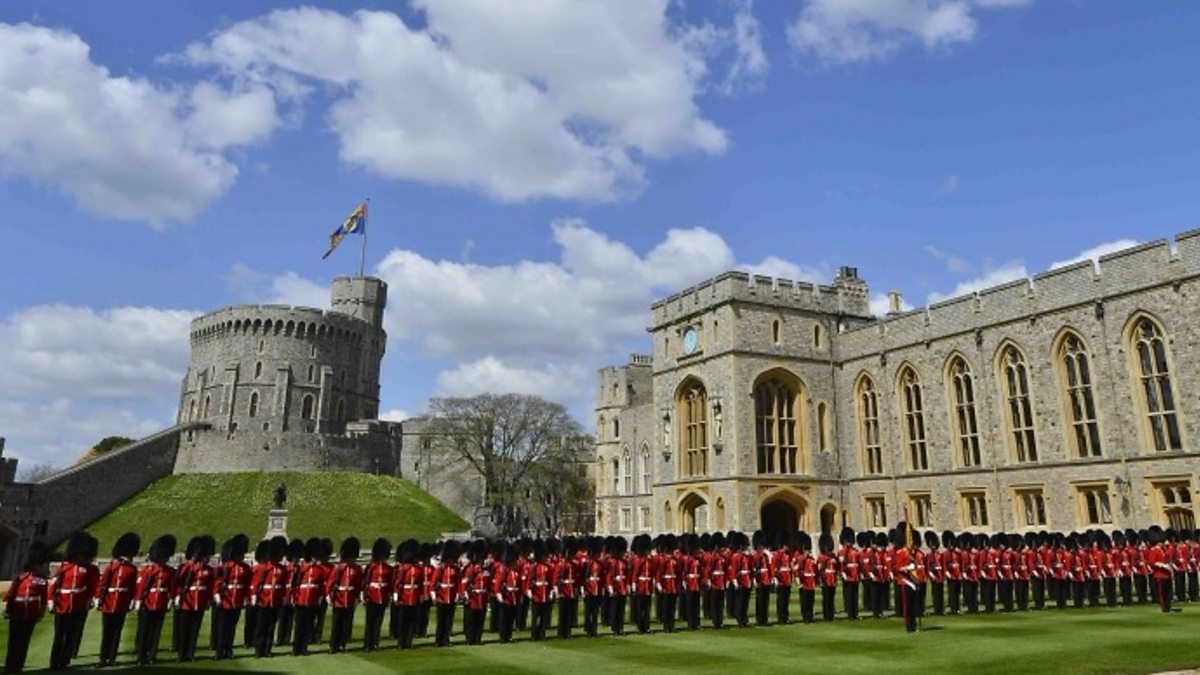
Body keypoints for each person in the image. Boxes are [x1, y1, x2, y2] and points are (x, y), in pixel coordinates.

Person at [48, 531, 99, 671]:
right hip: (62, 605)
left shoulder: (88, 570)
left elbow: (91, 586)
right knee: (59, 636)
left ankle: (65, 661)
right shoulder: (64, 568)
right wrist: (51, 601)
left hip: (78, 605)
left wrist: (89, 599)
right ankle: (54, 661)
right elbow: (54, 585)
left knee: (71, 635)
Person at [3, 540, 51, 674]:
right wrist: (8, 609)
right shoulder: (20, 577)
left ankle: (18, 665)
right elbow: (12, 594)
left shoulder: (41, 580)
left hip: (30, 614)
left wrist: (41, 612)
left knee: (24, 641)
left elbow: (43, 599)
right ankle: (9, 666)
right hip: (17, 612)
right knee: (13, 642)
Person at [95, 532, 140, 667]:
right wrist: (99, 598)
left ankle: (112, 657)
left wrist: (132, 600)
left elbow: (132, 587)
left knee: (117, 632)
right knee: (107, 632)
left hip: (121, 603)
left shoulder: (132, 569)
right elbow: (103, 584)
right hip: (109, 602)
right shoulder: (112, 566)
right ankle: (103, 658)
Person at [133, 535, 177, 666]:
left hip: (161, 603)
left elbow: (172, 587)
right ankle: (141, 656)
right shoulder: (148, 570)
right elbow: (142, 587)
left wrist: (171, 599)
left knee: (156, 632)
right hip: (147, 603)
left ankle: (152, 655)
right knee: (144, 631)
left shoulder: (170, 571)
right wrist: (139, 600)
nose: (165, 559)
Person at [176, 535, 216, 662]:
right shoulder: (187, 567)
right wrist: (177, 596)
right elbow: (179, 582)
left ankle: (190, 653)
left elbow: (210, 586)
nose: (208, 559)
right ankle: (181, 654)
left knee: (195, 629)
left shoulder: (209, 570)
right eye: (206, 556)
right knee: (183, 629)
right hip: (187, 601)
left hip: (200, 602)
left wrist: (209, 599)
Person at [212, 534, 251, 660]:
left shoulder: (245, 568)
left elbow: (246, 584)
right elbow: (218, 581)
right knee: (222, 627)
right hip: (226, 600)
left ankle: (228, 649)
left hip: (237, 600)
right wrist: (217, 594)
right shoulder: (225, 566)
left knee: (232, 627)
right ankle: (219, 650)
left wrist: (246, 597)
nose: (241, 556)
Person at [251, 536, 289, 657]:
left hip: (275, 600)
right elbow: (258, 583)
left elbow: (282, 586)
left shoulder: (282, 569)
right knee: (261, 626)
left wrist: (284, 597)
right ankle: (258, 649)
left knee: (271, 627)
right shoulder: (265, 568)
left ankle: (267, 649)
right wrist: (254, 596)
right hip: (264, 600)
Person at [291, 538, 328, 655]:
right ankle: (296, 648)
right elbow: (295, 583)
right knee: (299, 626)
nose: (316, 559)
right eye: (315, 557)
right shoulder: (302, 568)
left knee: (308, 626)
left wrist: (320, 598)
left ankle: (304, 648)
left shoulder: (320, 570)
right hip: (301, 599)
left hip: (312, 601)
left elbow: (321, 586)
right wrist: (294, 596)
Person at [327, 537, 363, 653]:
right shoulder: (339, 568)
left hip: (350, 599)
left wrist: (358, 596)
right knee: (337, 624)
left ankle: (342, 644)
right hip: (339, 599)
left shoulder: (357, 569)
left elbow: (358, 584)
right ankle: (334, 645)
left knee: (347, 624)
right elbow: (331, 582)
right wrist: (328, 595)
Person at [362, 538, 393, 651]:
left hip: (383, 596)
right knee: (370, 621)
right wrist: (364, 595)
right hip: (371, 596)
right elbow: (365, 582)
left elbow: (390, 583)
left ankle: (375, 643)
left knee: (378, 622)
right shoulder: (371, 567)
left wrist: (391, 595)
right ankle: (367, 643)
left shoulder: (389, 568)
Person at [432, 540, 462, 647]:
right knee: (441, 621)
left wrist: (458, 594)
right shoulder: (441, 568)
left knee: (449, 621)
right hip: (442, 597)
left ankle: (446, 639)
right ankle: (438, 640)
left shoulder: (456, 569)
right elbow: (434, 583)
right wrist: (434, 597)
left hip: (452, 597)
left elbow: (458, 583)